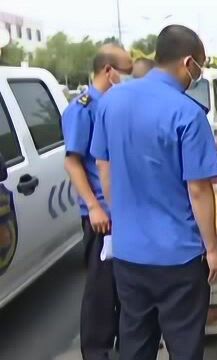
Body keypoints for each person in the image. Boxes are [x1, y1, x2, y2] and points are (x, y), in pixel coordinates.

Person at [90, 25, 217, 360]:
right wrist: (212, 249)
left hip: (129, 254)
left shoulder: (111, 101)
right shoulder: (188, 114)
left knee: (135, 343)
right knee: (184, 346)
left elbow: (103, 167)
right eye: (200, 66)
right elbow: (198, 189)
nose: (198, 74)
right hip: (179, 258)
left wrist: (120, 215)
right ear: (188, 62)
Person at [61, 44, 132, 360]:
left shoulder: (113, 105)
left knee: (122, 286)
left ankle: (121, 344)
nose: (128, 79)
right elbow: (73, 162)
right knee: (101, 290)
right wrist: (94, 206)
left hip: (122, 212)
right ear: (109, 71)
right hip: (101, 215)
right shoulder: (84, 107)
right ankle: (96, 351)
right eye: (126, 72)